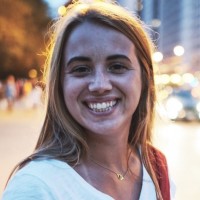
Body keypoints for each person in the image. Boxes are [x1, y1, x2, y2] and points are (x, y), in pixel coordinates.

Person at [2, 1, 173, 199]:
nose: (100, 85)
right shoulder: (36, 186)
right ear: (59, 84)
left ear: (145, 77)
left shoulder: (156, 168)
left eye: (117, 66)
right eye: (81, 69)